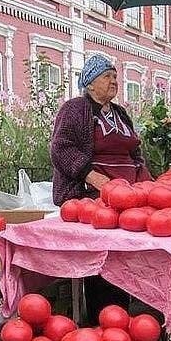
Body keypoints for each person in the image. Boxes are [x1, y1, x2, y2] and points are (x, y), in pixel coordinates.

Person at [50, 54, 152, 324]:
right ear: (90, 84)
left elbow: (135, 152)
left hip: (128, 198)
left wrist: (146, 184)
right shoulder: (75, 109)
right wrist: (92, 177)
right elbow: (61, 149)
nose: (114, 81)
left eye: (115, 76)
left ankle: (122, 317)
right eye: (107, 76)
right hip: (92, 198)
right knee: (105, 260)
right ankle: (102, 321)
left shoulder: (119, 113)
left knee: (129, 256)